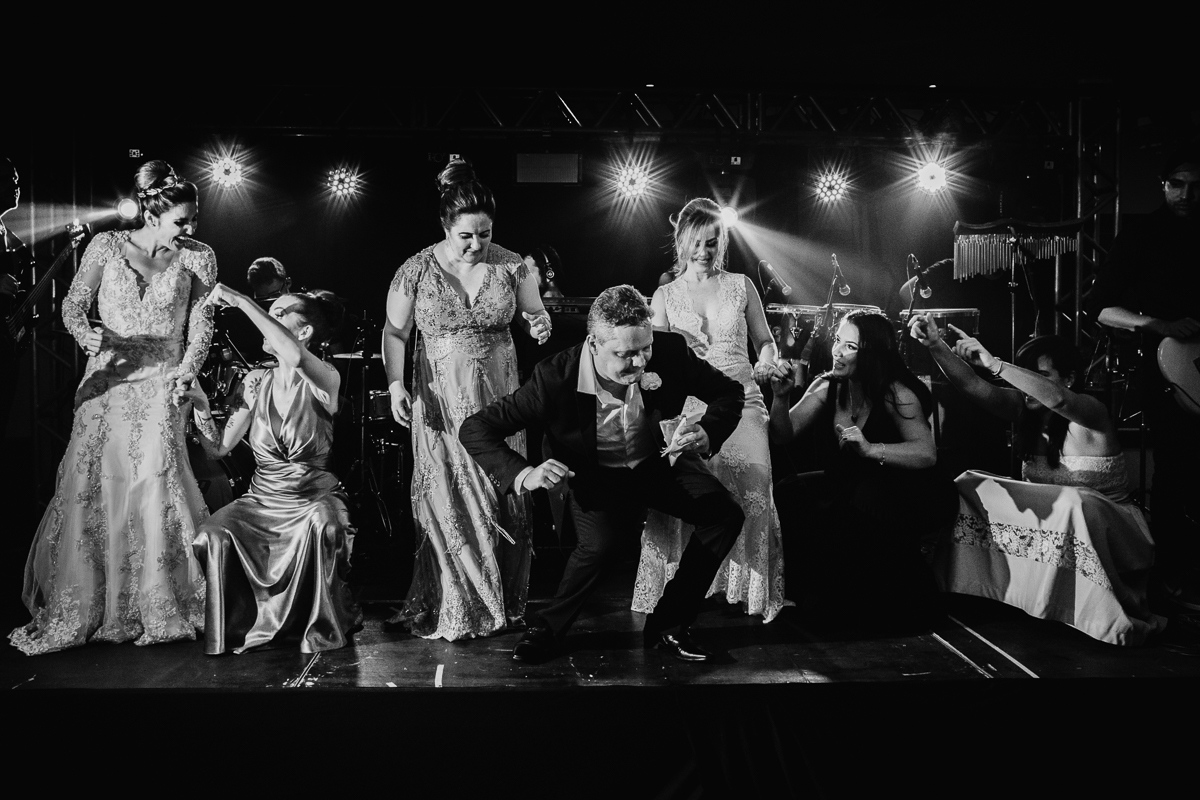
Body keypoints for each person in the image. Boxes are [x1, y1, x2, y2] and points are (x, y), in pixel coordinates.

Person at [459, 284, 747, 663]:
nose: (640, 363)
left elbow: (729, 391)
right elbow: (476, 428)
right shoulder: (553, 378)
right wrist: (525, 474)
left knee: (725, 515)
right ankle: (546, 630)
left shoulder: (671, 351)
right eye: (626, 354)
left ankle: (670, 624)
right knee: (601, 546)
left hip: (659, 462)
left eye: (645, 349)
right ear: (594, 344)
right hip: (597, 476)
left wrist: (708, 430)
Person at [9, 160, 214, 655]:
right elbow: (72, 305)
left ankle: (157, 600)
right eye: (181, 220)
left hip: (162, 380)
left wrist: (186, 372)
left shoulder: (199, 257)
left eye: (193, 219)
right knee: (96, 482)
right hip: (107, 381)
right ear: (152, 213)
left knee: (154, 479)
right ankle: (93, 601)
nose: (190, 229)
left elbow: (202, 324)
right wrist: (86, 336)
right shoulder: (105, 246)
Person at [909, 316, 1167, 645]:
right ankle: (980, 589)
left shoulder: (1091, 412)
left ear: (1069, 379)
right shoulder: (1023, 409)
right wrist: (936, 345)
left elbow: (1058, 400)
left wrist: (995, 364)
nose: (1025, 386)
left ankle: (1093, 609)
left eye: (1039, 377)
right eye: (1024, 374)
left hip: (1116, 532)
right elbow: (972, 385)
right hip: (1054, 529)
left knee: (1074, 502)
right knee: (970, 483)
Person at [381, 159, 550, 641]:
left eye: (485, 234)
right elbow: (395, 333)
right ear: (445, 226)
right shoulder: (415, 270)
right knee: (449, 494)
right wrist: (396, 384)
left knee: (498, 487)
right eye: (466, 236)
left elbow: (535, 315)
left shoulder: (512, 265)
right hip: (440, 401)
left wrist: (539, 325)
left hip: (499, 397)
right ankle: (457, 600)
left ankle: (499, 598)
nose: (477, 245)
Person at [633, 198, 789, 622]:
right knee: (693, 492)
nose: (703, 251)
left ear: (723, 241)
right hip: (689, 403)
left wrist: (766, 361)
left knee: (754, 480)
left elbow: (765, 340)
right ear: (681, 241)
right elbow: (652, 359)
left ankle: (746, 588)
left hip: (742, 398)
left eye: (712, 242)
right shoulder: (664, 295)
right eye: (696, 242)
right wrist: (678, 343)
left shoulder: (742, 285)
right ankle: (689, 585)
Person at [186, 284, 360, 654]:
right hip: (261, 501)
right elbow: (218, 449)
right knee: (211, 534)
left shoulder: (326, 378)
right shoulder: (255, 382)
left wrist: (241, 301)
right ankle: (243, 625)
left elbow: (295, 358)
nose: (267, 320)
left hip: (313, 496)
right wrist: (201, 405)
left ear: (304, 331)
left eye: (279, 314)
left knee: (325, 525)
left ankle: (318, 624)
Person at [769, 308, 955, 631]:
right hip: (851, 483)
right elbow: (783, 434)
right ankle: (804, 591)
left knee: (862, 497)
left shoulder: (897, 393)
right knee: (790, 491)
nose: (837, 351)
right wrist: (780, 399)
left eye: (850, 346)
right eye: (837, 341)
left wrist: (870, 449)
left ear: (872, 354)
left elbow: (926, 454)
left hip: (906, 487)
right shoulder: (827, 385)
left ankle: (869, 601)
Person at [1085, 147, 1200, 610]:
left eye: (1196, 186)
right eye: (1178, 184)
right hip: (1166, 367)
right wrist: (1156, 324)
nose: (1186, 195)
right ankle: (1172, 576)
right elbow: (1099, 307)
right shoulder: (1141, 233)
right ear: (1163, 184)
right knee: (1176, 468)